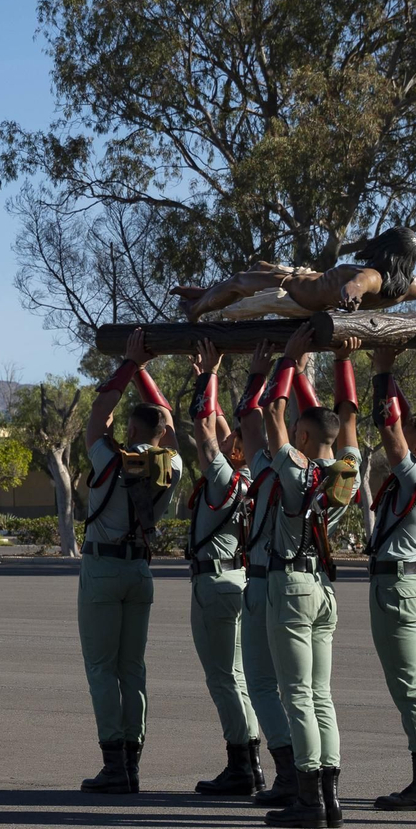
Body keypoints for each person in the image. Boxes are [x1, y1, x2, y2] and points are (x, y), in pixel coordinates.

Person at [244, 323, 361, 829]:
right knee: (320, 693)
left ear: (306, 436)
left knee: (295, 693)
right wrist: (343, 361)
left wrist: (288, 361)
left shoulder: (295, 465)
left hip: (291, 584)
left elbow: (270, 412)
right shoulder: (344, 472)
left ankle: (310, 798)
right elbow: (349, 425)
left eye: (299, 428)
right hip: (324, 586)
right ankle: (330, 797)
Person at [76, 327, 182, 794]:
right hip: (141, 569)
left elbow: (98, 414)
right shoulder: (171, 464)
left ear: (133, 428)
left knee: (102, 668)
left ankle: (114, 764)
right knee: (132, 669)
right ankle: (133, 761)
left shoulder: (109, 458)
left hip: (103, 569)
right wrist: (146, 377)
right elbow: (170, 426)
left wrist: (130, 365)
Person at [364, 346, 416, 812]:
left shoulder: (413, 474)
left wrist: (382, 371)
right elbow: (405, 421)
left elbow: (390, 427)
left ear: (415, 448)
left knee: (410, 687)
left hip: (397, 587)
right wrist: (391, 376)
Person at [182, 340, 261, 796]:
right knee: (240, 676)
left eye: (234, 440)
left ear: (235, 453)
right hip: (238, 577)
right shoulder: (250, 475)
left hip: (213, 582)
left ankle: (241, 763)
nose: (228, 436)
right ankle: (249, 760)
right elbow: (222, 429)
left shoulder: (223, 476)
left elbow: (202, 426)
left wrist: (207, 375)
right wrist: (211, 375)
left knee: (223, 677)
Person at [170, 227, 416, 321]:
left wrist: (350, 295)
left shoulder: (371, 277)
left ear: (387, 249)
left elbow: (357, 284)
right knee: (258, 268)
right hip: (301, 278)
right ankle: (203, 293)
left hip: (293, 291)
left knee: (238, 280)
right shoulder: (411, 285)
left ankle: (196, 309)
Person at [233, 346, 296, 808]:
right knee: (305, 690)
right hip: (305, 584)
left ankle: (290, 770)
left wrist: (268, 370)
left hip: (263, 581)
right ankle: (311, 777)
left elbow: (255, 420)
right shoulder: (332, 472)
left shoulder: (273, 474)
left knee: (261, 683)